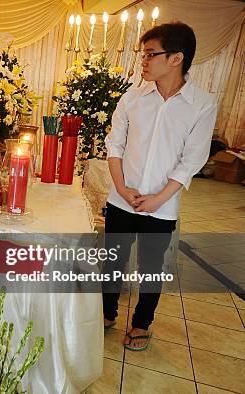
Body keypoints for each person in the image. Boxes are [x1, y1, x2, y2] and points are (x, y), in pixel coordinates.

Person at [102, 22, 217, 351]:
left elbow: (192, 159)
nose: (144, 61)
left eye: (151, 54)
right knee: (113, 259)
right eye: (143, 54)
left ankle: (141, 324)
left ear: (176, 58)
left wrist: (159, 199)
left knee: (151, 267)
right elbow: (115, 147)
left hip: (162, 205)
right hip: (123, 198)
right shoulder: (133, 98)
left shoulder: (201, 104)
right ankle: (107, 313)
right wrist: (123, 189)